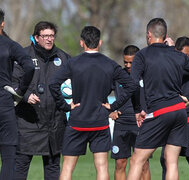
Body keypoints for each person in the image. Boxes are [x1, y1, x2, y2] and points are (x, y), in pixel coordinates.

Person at [49, 26, 137, 180]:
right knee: (102, 166)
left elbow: (53, 83)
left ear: (82, 42)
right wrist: (113, 106)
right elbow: (131, 86)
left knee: (68, 167)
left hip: (77, 121)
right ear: (100, 42)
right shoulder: (110, 64)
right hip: (100, 122)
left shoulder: (73, 63)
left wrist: (64, 106)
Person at [127, 18, 189, 180]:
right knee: (171, 161)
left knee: (137, 159)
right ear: (165, 36)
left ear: (149, 34)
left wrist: (136, 110)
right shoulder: (177, 55)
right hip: (179, 111)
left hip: (160, 111)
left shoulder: (142, 55)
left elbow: (133, 85)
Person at [12, 21, 71, 180]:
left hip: (55, 124)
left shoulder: (63, 57)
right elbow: (11, 83)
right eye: (45, 36)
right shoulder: (23, 56)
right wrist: (25, 96)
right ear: (36, 37)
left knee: (53, 168)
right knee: (20, 167)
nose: (49, 39)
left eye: (51, 36)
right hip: (27, 123)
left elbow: (77, 82)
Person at [160, 36, 189, 180]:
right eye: (180, 57)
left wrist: (169, 51)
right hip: (175, 120)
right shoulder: (177, 65)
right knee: (166, 159)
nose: (183, 61)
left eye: (186, 56)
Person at [0, 9, 34, 180]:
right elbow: (29, 66)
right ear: (2, 23)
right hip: (4, 104)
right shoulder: (10, 45)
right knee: (8, 156)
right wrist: (20, 92)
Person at [110, 45, 151, 180]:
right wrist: (109, 111)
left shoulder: (147, 76)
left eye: (131, 62)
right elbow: (99, 92)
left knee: (143, 164)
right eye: (125, 62)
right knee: (120, 163)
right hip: (121, 124)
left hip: (141, 125)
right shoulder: (117, 76)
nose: (128, 65)